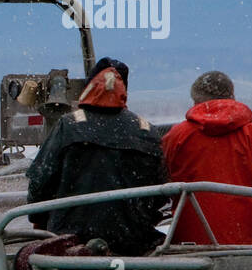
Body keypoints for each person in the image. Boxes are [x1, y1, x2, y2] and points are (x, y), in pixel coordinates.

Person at [25, 58, 168, 259]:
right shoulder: (146, 131)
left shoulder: (69, 126)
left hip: (72, 240)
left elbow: (41, 181)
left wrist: (39, 221)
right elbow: (160, 191)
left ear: (89, 87)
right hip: (133, 242)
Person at [161, 71, 252, 245]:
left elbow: (159, 180)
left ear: (196, 100)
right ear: (231, 96)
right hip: (248, 246)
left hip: (191, 247)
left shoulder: (176, 136)